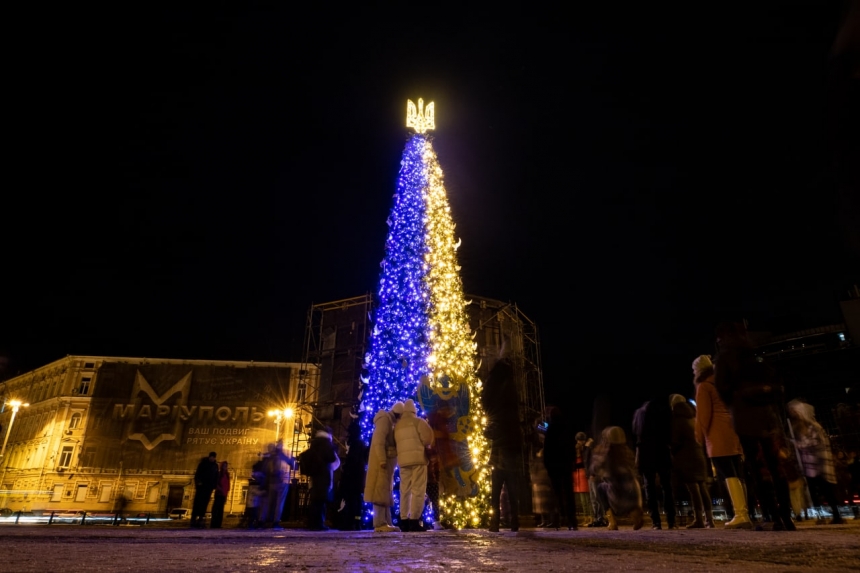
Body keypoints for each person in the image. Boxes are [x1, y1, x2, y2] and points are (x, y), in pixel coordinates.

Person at [714, 321, 796, 531]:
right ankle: (787, 516)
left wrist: (735, 402)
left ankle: (772, 516)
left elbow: (722, 389)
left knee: (757, 468)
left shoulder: (725, 357)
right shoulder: (753, 353)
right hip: (768, 416)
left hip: (745, 417)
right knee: (775, 466)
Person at [693, 354, 751, 529]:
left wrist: (699, 437)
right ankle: (745, 512)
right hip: (732, 430)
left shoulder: (704, 386)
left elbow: (703, 415)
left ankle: (740, 514)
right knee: (737, 473)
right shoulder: (721, 384)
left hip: (717, 434)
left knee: (727, 473)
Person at [481, 352, 524, 532]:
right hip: (511, 446)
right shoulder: (511, 391)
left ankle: (495, 522)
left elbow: (487, 403)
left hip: (500, 448)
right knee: (512, 487)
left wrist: (489, 432)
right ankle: (514, 521)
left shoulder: (496, 392)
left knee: (497, 487)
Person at [787, 399, 845, 525]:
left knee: (827, 491)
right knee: (815, 492)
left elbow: (813, 443)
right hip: (810, 466)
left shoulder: (814, 427)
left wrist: (796, 444)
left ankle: (836, 515)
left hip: (820, 464)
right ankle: (821, 516)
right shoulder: (799, 428)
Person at [669, 394, 714, 528]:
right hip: (699, 455)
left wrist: (672, 452)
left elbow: (675, 441)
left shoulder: (678, 420)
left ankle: (699, 519)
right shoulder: (694, 418)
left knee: (693, 488)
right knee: (703, 487)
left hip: (686, 458)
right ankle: (709, 520)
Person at [589, 426, 645, 530]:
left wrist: (595, 454)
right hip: (634, 495)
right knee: (629, 484)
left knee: (600, 487)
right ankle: (635, 514)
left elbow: (594, 469)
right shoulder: (627, 452)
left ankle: (612, 521)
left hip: (617, 496)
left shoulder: (606, 453)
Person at [633, 397, 676, 530]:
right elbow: (669, 436)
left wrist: (638, 459)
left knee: (649, 488)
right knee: (666, 487)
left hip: (646, 454)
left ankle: (656, 522)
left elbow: (638, 438)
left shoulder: (640, 418)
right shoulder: (663, 416)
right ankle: (671, 520)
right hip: (662, 452)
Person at [394, 398, 434, 532]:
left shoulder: (398, 425)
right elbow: (428, 438)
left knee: (404, 491)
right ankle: (414, 520)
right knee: (418, 490)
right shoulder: (418, 422)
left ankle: (404, 519)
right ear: (414, 410)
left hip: (403, 462)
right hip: (418, 460)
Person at [364, 402, 403, 532]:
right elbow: (378, 442)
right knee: (380, 492)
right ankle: (380, 523)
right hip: (381, 463)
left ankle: (386, 521)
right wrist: (382, 459)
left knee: (385, 492)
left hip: (385, 463)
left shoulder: (388, 421)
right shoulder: (385, 421)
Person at [543, 406, 577, 530]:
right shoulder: (566, 428)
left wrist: (547, 465)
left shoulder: (551, 430)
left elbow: (547, 450)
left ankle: (560, 519)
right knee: (568, 493)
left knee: (557, 494)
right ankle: (572, 520)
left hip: (554, 467)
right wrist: (571, 461)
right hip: (566, 465)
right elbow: (571, 447)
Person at [300, 427, 341, 531]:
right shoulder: (327, 445)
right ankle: (319, 524)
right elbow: (333, 460)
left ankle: (313, 523)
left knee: (314, 501)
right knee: (321, 502)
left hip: (314, 477)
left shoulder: (315, 444)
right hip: (324, 476)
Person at [334, 419, 369, 531]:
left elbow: (352, 462)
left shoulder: (355, 444)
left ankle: (350, 522)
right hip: (358, 477)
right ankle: (356, 522)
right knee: (357, 500)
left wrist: (345, 469)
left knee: (351, 500)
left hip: (351, 477)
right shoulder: (361, 443)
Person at [261, 440, 295, 530]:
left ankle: (268, 521)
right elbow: (292, 464)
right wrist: (292, 460)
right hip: (281, 481)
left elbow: (265, 467)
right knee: (279, 503)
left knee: (270, 503)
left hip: (271, 482)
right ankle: (275, 522)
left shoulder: (270, 455)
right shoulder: (281, 455)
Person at [191, 451, 219, 528]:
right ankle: (193, 518)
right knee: (197, 502)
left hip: (208, 488)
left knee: (205, 503)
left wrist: (214, 486)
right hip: (201, 487)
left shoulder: (215, 466)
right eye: (211, 457)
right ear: (209, 457)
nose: (212, 458)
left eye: (213, 457)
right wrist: (198, 483)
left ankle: (201, 518)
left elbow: (216, 477)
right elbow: (198, 474)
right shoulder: (203, 464)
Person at [574, 432, 591, 526]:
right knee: (582, 500)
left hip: (583, 475)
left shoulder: (586, 452)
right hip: (577, 476)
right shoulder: (577, 456)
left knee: (586, 499)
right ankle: (586, 518)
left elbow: (585, 463)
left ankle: (590, 518)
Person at [210, 461, 230, 528]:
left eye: (226, 466)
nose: (225, 467)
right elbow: (216, 483)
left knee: (221, 510)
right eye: (224, 466)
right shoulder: (219, 474)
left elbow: (227, 485)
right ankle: (213, 524)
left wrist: (226, 494)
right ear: (221, 466)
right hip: (219, 494)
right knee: (216, 509)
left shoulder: (227, 474)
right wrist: (220, 489)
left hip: (224, 494)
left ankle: (218, 524)